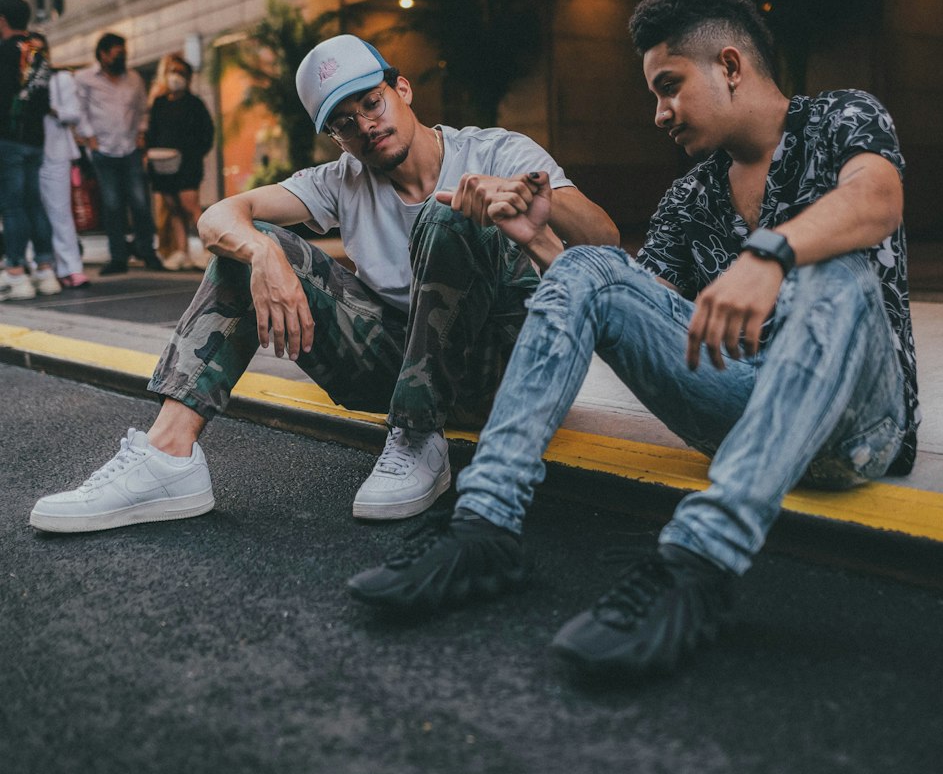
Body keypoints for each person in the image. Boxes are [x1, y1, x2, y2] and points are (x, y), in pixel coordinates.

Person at [349, 0, 920, 681]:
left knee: (839, 270)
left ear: (731, 66)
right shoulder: (691, 196)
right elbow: (646, 318)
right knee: (593, 264)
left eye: (670, 86)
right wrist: (544, 249)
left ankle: (697, 563)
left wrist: (773, 253)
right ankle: (483, 526)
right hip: (738, 407)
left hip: (858, 422)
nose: (659, 113)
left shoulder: (841, 117)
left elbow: (877, 198)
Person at [30, 34, 618, 533]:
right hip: (397, 370)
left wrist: (531, 210)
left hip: (506, 372)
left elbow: (605, 241)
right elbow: (218, 217)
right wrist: (264, 255)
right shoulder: (343, 179)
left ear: (402, 88)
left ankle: (418, 436)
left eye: (372, 103)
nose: (365, 126)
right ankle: (167, 457)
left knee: (451, 215)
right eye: (344, 123)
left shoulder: (497, 149)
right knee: (247, 244)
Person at [76, 32, 162, 275]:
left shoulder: (134, 78)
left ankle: (147, 251)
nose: (122, 57)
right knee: (112, 205)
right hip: (103, 150)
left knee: (140, 203)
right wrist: (89, 136)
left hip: (130, 149)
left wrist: (142, 132)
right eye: (116, 53)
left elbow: (143, 109)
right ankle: (118, 257)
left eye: (124, 53)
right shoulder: (85, 78)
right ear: (102, 55)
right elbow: (80, 110)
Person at [0, 0, 61, 300]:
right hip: (36, 139)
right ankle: (46, 270)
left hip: (7, 138)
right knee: (34, 203)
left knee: (12, 206)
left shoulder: (3, 51)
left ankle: (15, 274)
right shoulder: (39, 51)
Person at [25, 31, 90, 289]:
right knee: (30, 210)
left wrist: (48, 107)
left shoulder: (60, 78)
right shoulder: (19, 81)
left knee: (60, 211)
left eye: (40, 51)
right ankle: (42, 265)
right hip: (28, 151)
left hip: (55, 152)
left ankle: (71, 267)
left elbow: (73, 113)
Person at [146, 53, 215, 270]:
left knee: (190, 207)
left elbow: (207, 133)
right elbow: (151, 132)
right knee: (173, 208)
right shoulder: (158, 104)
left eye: (181, 73)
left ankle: (210, 250)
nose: (176, 77)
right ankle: (181, 252)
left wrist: (194, 154)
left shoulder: (194, 104)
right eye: (173, 72)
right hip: (162, 164)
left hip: (188, 163)